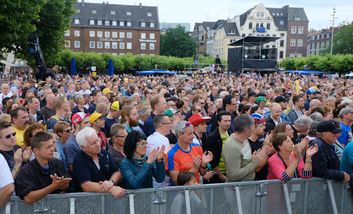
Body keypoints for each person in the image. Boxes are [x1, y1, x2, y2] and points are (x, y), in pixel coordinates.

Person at [15, 131, 70, 204]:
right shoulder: (26, 171)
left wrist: (62, 183)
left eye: (52, 145)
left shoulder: (57, 162)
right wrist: (53, 186)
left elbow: (66, 186)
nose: (53, 149)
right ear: (36, 151)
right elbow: (28, 198)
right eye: (48, 147)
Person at [72, 127, 125, 198]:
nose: (98, 144)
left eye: (97, 140)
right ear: (83, 147)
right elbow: (86, 185)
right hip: (88, 202)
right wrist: (110, 189)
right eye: (93, 143)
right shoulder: (79, 160)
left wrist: (111, 182)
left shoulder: (104, 153)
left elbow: (117, 172)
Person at [223, 114, 268, 182]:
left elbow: (246, 161)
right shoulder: (232, 147)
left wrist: (255, 158)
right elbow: (234, 175)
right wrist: (254, 162)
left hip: (247, 186)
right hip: (237, 190)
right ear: (247, 130)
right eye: (253, 127)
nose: (254, 129)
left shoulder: (244, 139)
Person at [204, 111, 231, 183]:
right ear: (219, 122)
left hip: (229, 171)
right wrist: (220, 174)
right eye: (225, 121)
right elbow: (212, 159)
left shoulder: (231, 133)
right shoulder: (212, 137)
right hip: (217, 173)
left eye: (229, 121)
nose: (228, 123)